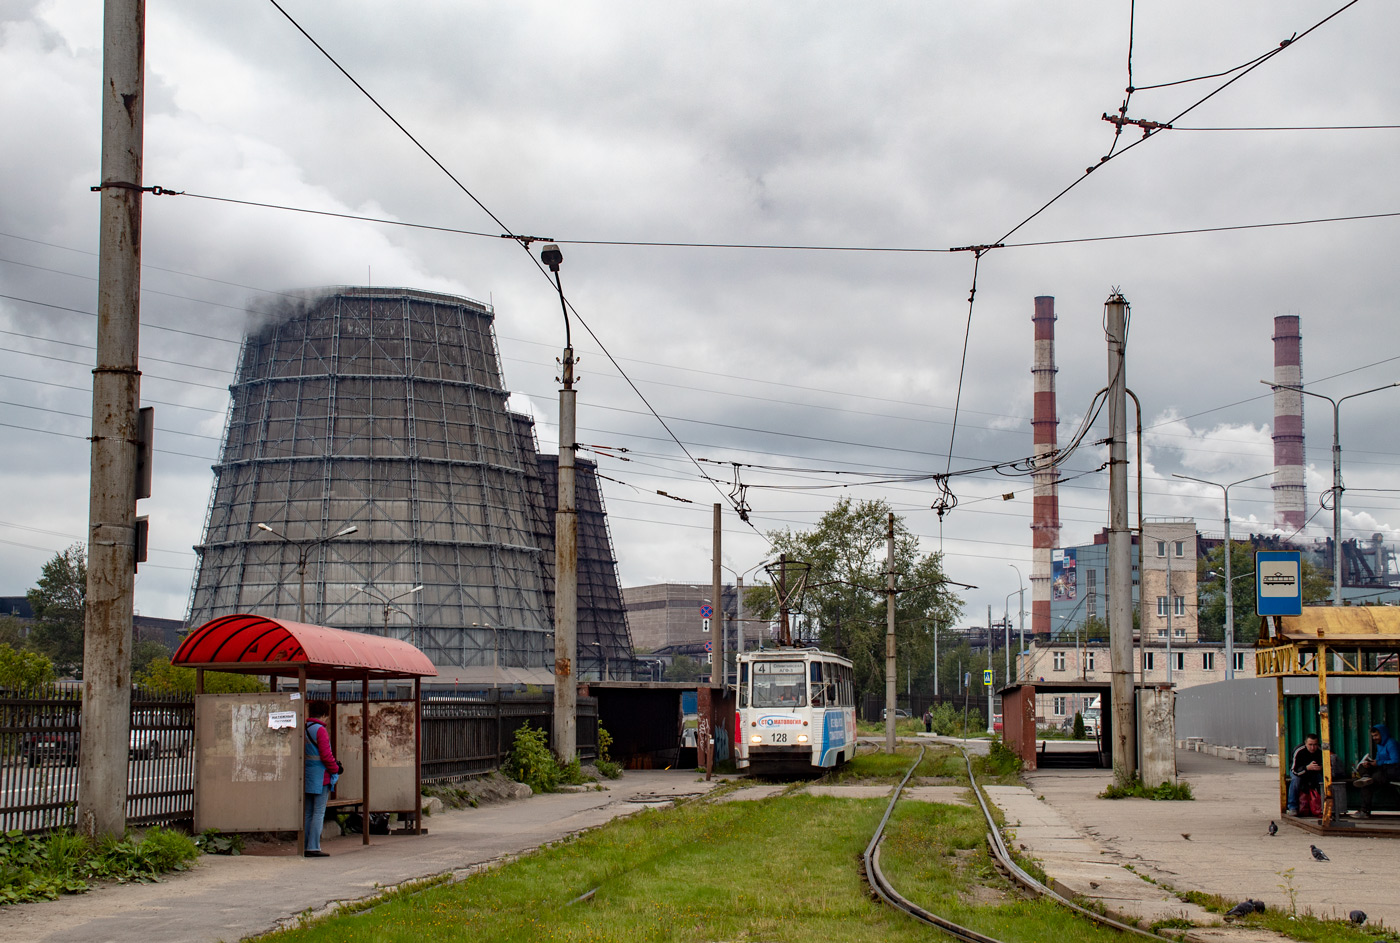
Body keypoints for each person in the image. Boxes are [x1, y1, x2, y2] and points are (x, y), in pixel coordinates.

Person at [304, 700, 342, 857]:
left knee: (308, 813)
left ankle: (305, 846)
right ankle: (314, 846)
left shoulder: (305, 729)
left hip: (306, 775)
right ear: (325, 714)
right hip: (321, 776)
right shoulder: (320, 730)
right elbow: (326, 755)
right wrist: (336, 769)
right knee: (319, 812)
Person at [1351, 723, 1400, 819]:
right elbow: (1378, 760)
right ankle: (1366, 777)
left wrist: (1378, 763)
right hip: (1382, 770)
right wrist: (1370, 763)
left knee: (1370, 782)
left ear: (1383, 734)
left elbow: (1396, 761)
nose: (1374, 738)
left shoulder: (1391, 743)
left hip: (1393, 771)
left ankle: (1364, 811)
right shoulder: (1379, 745)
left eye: (1376, 735)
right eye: (1373, 736)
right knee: (1363, 768)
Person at [1286, 732, 1323, 816]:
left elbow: (1328, 766)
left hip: (1315, 772)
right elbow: (1294, 770)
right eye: (1310, 745)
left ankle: (1324, 807)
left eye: (1315, 745)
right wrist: (1307, 768)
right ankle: (1293, 807)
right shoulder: (1299, 751)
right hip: (1299, 772)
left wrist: (1321, 768)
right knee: (1295, 781)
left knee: (1324, 781)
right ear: (1305, 743)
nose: (1313, 747)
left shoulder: (1321, 751)